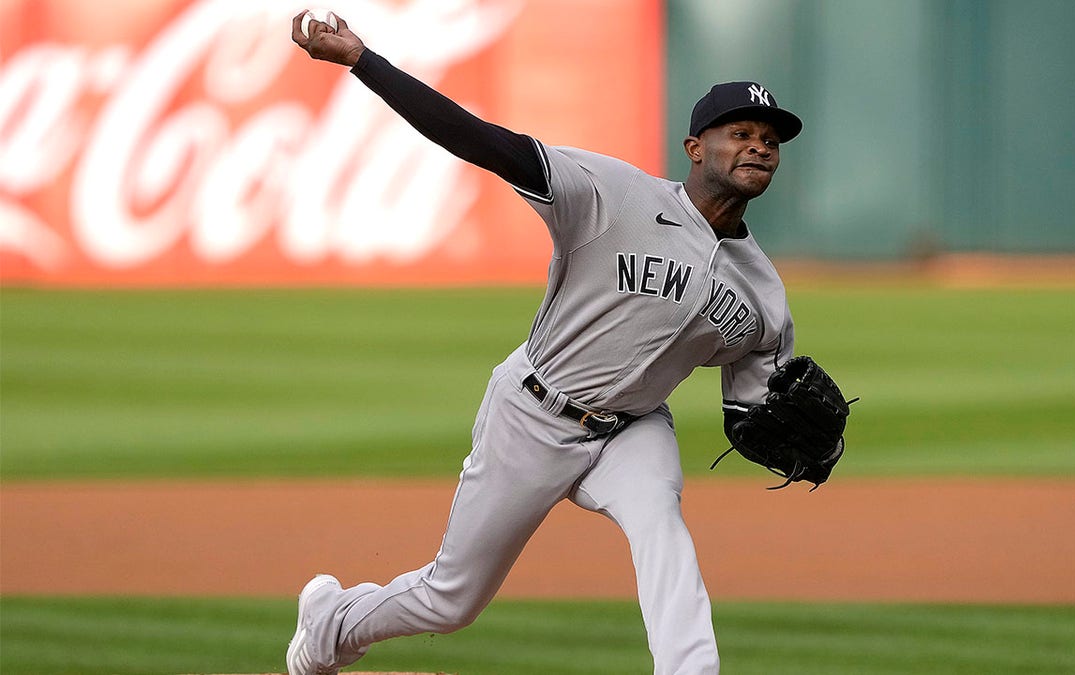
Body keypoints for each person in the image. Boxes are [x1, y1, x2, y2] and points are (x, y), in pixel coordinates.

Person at [287, 10, 803, 675]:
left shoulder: (764, 293)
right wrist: (364, 61)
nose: (760, 146)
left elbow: (750, 412)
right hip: (532, 411)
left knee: (661, 527)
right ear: (695, 147)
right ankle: (330, 622)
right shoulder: (610, 193)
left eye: (770, 139)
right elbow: (483, 141)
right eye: (741, 133)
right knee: (452, 599)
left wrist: (777, 432)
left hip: (632, 428)